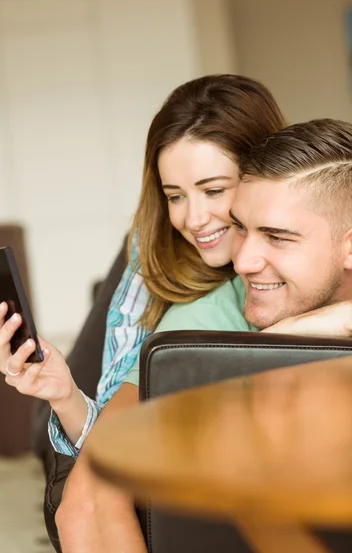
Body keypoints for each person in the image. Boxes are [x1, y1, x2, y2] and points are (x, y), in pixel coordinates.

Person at [56, 108, 352, 553]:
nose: (244, 261)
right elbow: (90, 498)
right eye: (240, 228)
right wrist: (280, 343)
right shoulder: (199, 329)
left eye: (276, 236)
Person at [0, 74, 287, 455]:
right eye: (175, 196)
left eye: (213, 190)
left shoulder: (312, 245)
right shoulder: (154, 249)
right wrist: (64, 395)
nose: (194, 219)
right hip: (102, 423)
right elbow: (113, 437)